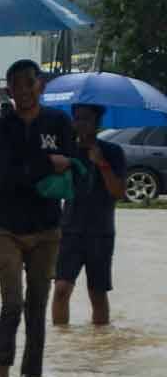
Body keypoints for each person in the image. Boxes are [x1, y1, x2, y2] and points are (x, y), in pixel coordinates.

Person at [0, 60, 75, 377]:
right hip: (7, 226)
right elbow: (2, 176)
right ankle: (2, 375)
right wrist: (48, 163)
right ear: (8, 90)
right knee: (12, 303)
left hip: (48, 228)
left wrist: (39, 166)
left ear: (41, 85)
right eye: (16, 84)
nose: (23, 90)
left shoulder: (59, 123)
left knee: (37, 308)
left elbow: (72, 167)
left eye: (28, 82)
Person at [52, 104, 126, 326]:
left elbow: (119, 193)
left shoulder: (113, 152)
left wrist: (102, 164)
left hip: (100, 233)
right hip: (70, 230)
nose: (80, 124)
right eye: (77, 119)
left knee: (97, 293)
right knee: (61, 289)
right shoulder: (67, 152)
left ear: (97, 123)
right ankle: (62, 344)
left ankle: (99, 348)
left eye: (86, 119)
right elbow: (52, 189)